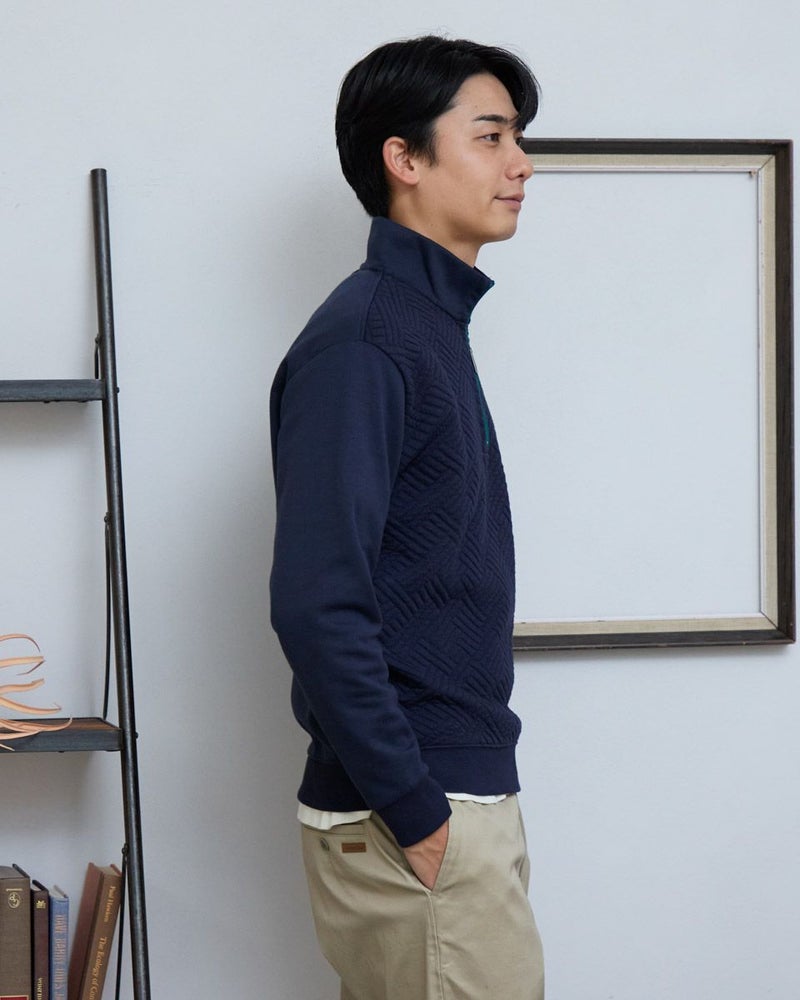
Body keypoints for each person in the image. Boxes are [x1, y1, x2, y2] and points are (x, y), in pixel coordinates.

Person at [270, 34, 544, 1000]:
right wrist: (418, 810)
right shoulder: (367, 342)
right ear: (405, 158)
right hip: (419, 814)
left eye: (518, 138)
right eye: (491, 136)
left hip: (448, 800)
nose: (521, 164)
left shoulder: (423, 326)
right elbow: (316, 604)